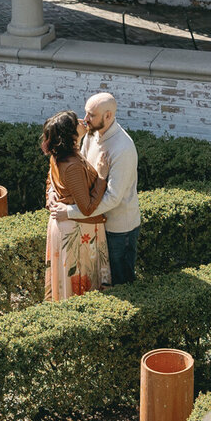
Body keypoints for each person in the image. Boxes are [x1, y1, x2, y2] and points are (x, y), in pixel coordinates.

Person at [41, 110, 110, 300]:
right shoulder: (72, 165)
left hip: (65, 227)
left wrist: (50, 194)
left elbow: (50, 179)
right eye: (76, 121)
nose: (83, 121)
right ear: (70, 134)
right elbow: (87, 207)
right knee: (78, 290)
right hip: (77, 232)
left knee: (66, 288)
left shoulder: (60, 155)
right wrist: (102, 178)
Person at [80, 92, 141, 284]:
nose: (85, 119)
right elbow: (82, 168)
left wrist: (76, 212)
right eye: (86, 113)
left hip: (118, 229)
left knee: (121, 283)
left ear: (108, 116)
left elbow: (114, 198)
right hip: (97, 222)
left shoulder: (123, 148)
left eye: (92, 115)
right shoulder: (91, 134)